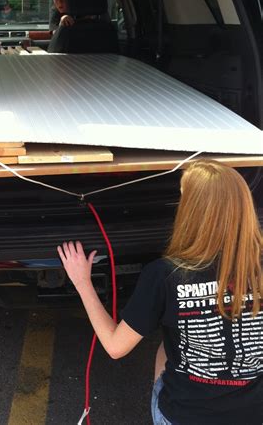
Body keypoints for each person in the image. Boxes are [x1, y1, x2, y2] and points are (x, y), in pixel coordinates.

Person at [58, 160, 262, 424]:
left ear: (191, 211)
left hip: (184, 417)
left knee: (166, 346)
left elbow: (115, 347)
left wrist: (82, 282)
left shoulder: (164, 275)